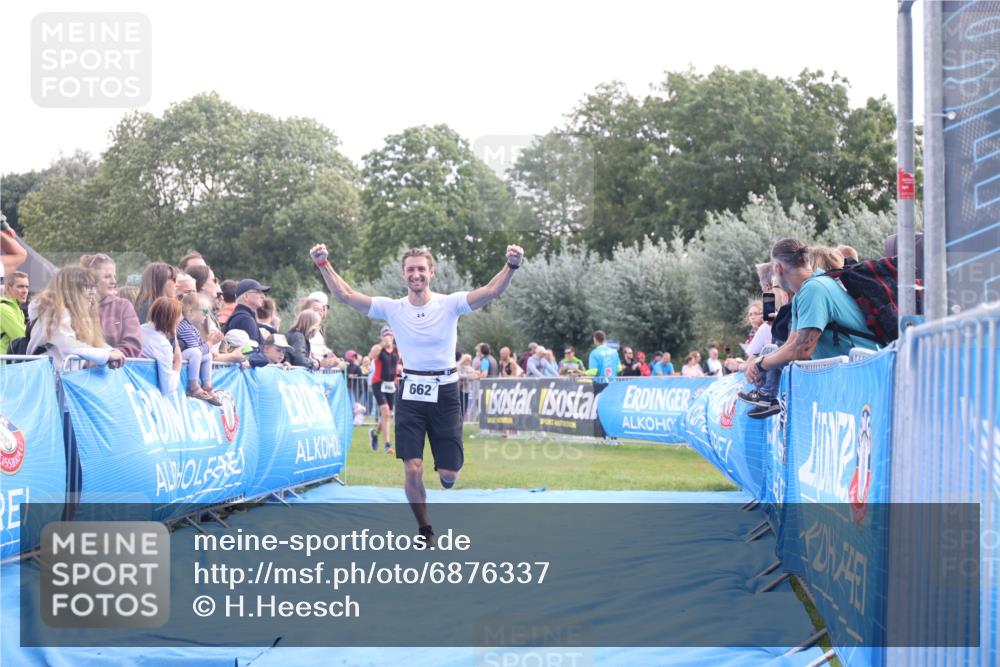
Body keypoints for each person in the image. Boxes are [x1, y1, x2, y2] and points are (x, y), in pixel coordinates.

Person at [310, 240, 524, 542]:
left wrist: (511, 266)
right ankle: (425, 529)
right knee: (412, 467)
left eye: (421, 269)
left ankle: (447, 473)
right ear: (403, 274)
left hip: (446, 392)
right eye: (411, 270)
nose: (416, 274)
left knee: (449, 474)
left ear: (431, 272)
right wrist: (323, 263)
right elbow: (345, 295)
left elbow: (491, 291)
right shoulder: (393, 308)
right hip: (410, 391)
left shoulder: (450, 304)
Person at [744, 238, 880, 418]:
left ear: (777, 268)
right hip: (858, 381)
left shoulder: (813, 289)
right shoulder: (805, 291)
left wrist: (761, 364)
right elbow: (791, 344)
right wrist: (762, 363)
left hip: (867, 381)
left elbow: (801, 349)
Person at [27, 267, 125, 369]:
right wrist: (106, 355)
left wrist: (110, 350)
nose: (93, 292)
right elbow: (69, 344)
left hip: (61, 376)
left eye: (93, 286)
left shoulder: (73, 313)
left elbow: (91, 342)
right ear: (72, 289)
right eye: (88, 286)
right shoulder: (54, 312)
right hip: (49, 377)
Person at [81, 253, 142, 358]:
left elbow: (133, 345)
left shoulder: (123, 306)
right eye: (107, 277)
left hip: (115, 371)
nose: (114, 281)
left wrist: (109, 357)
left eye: (114, 276)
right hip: (80, 371)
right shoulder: (77, 306)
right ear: (91, 279)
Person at [176, 292, 222, 404]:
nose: (207, 315)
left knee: (208, 355)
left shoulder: (192, 328)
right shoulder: (184, 327)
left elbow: (202, 349)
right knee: (196, 353)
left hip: (188, 355)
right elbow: (197, 350)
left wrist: (210, 347)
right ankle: (194, 386)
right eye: (205, 312)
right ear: (191, 312)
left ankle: (207, 385)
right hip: (178, 357)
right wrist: (210, 343)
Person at [368, 325, 402, 454]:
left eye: (390, 335)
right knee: (386, 411)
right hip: (378, 383)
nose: (389, 338)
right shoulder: (378, 348)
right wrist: (382, 345)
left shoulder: (397, 350)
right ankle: (388, 445)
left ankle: (375, 433)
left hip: (392, 384)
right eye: (386, 335)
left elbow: (399, 363)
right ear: (382, 337)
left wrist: (400, 369)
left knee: (387, 415)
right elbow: (370, 357)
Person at [140, 297, 184, 396]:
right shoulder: (162, 345)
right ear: (171, 320)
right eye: (179, 316)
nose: (182, 318)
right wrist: (178, 363)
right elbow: (168, 388)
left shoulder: (138, 329)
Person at [222, 279, 271, 367]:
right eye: (258, 292)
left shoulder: (243, 316)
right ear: (246, 296)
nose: (263, 296)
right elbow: (252, 351)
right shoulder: (245, 319)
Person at [1, 271, 28, 354]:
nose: (25, 291)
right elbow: (22, 337)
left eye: (27, 287)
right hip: (4, 365)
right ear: (8, 288)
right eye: (20, 287)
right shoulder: (3, 309)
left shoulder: (17, 310)